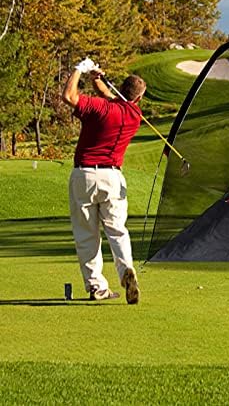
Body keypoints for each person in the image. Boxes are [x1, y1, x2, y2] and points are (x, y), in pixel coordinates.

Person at [62, 58, 146, 304]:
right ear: (138, 98)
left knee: (87, 235)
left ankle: (97, 287)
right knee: (117, 230)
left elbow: (69, 96)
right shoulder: (135, 114)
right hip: (112, 178)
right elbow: (114, 99)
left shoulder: (99, 108)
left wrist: (79, 69)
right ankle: (126, 270)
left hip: (84, 176)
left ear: (120, 88)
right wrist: (96, 79)